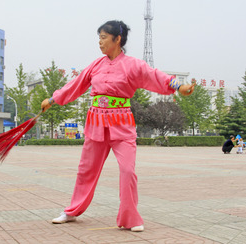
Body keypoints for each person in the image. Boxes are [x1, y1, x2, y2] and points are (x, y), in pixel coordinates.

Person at [41, 20, 195, 232]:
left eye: (104, 37)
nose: (100, 42)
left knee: (127, 170)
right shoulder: (96, 65)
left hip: (121, 124)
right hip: (96, 123)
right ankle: (71, 211)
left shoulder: (133, 65)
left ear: (117, 39)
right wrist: (53, 99)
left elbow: (156, 76)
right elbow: (75, 86)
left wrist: (179, 86)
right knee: (86, 170)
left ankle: (130, 218)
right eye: (99, 38)